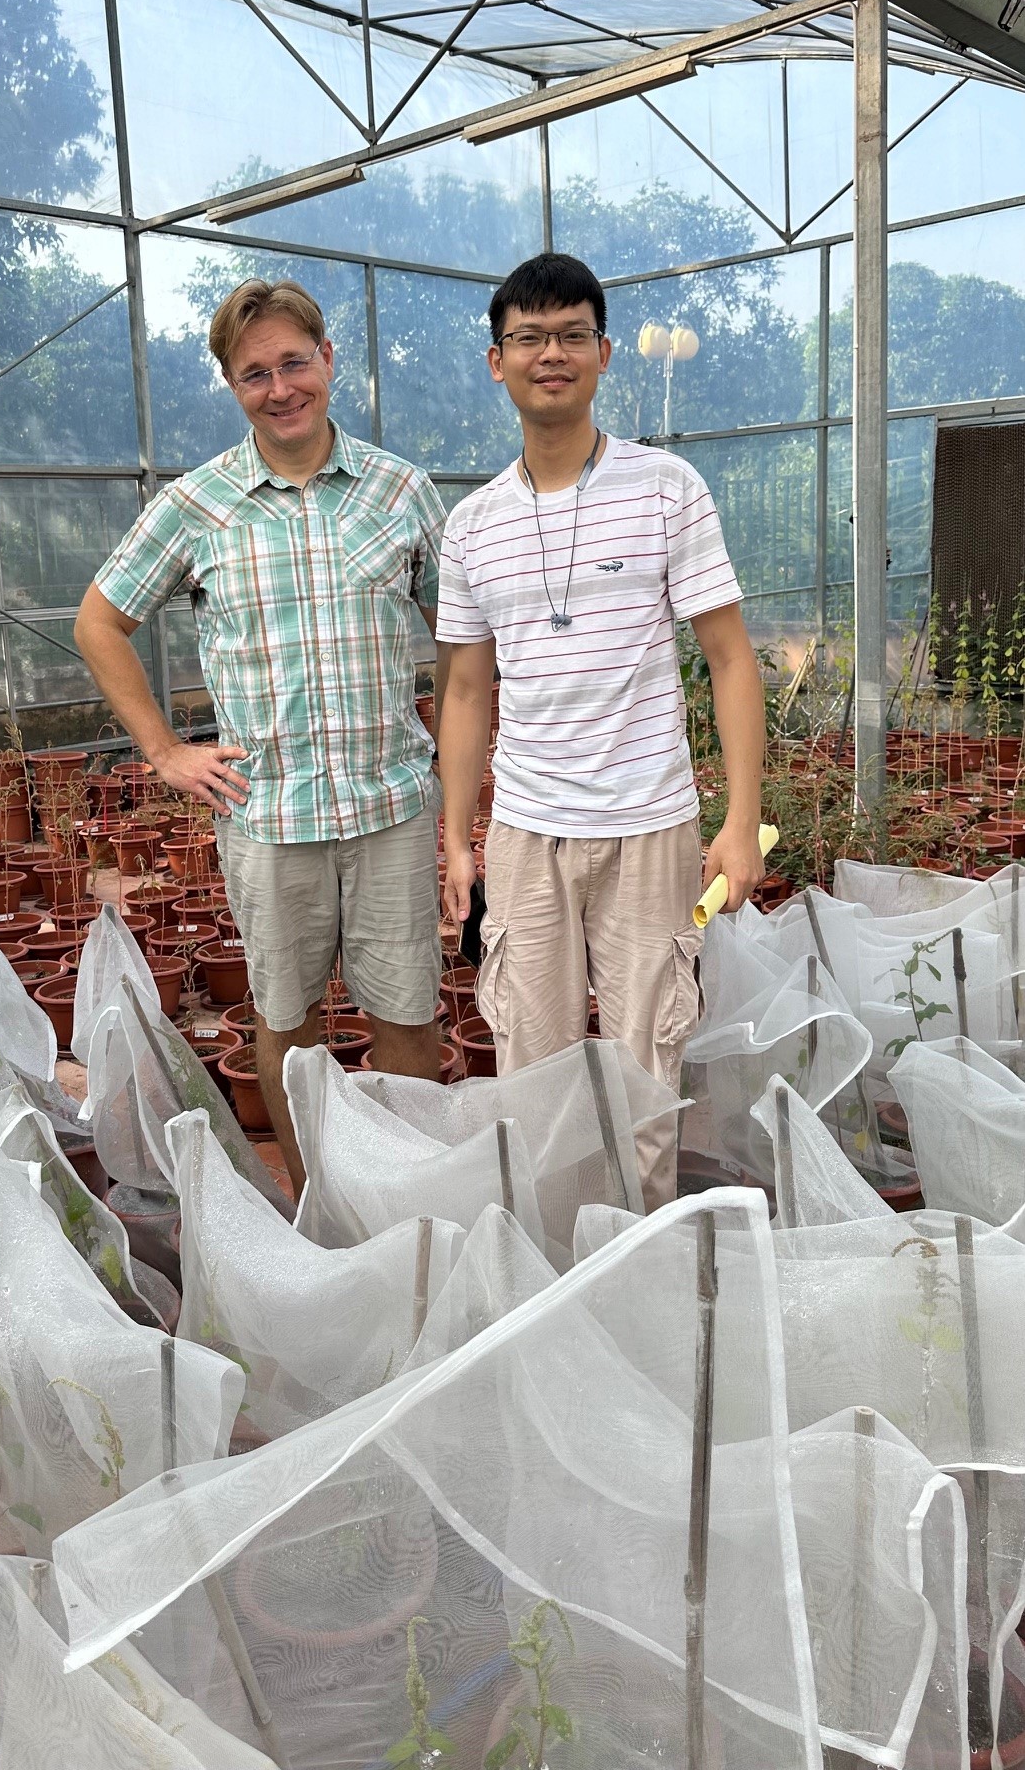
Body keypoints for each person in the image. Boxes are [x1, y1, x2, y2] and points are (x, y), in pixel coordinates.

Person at [75, 277, 449, 1194]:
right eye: (255, 374)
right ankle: (322, 1196)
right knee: (285, 1019)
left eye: (293, 363)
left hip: (391, 806)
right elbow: (98, 621)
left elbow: (464, 640)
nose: (280, 388)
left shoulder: (402, 491)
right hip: (267, 812)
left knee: (407, 1014)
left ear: (327, 360)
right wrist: (166, 752)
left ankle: (409, 1195)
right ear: (232, 386)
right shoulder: (198, 505)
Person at [436, 252, 765, 1207]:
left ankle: (639, 1258)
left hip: (650, 824)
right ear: (496, 361)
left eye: (572, 335)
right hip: (527, 832)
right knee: (531, 1074)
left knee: (645, 1070)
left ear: (605, 354)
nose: (552, 354)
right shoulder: (473, 525)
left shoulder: (667, 488)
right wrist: (458, 843)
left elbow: (731, 658)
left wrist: (739, 821)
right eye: (529, 338)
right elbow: (464, 691)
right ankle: (552, 1267)